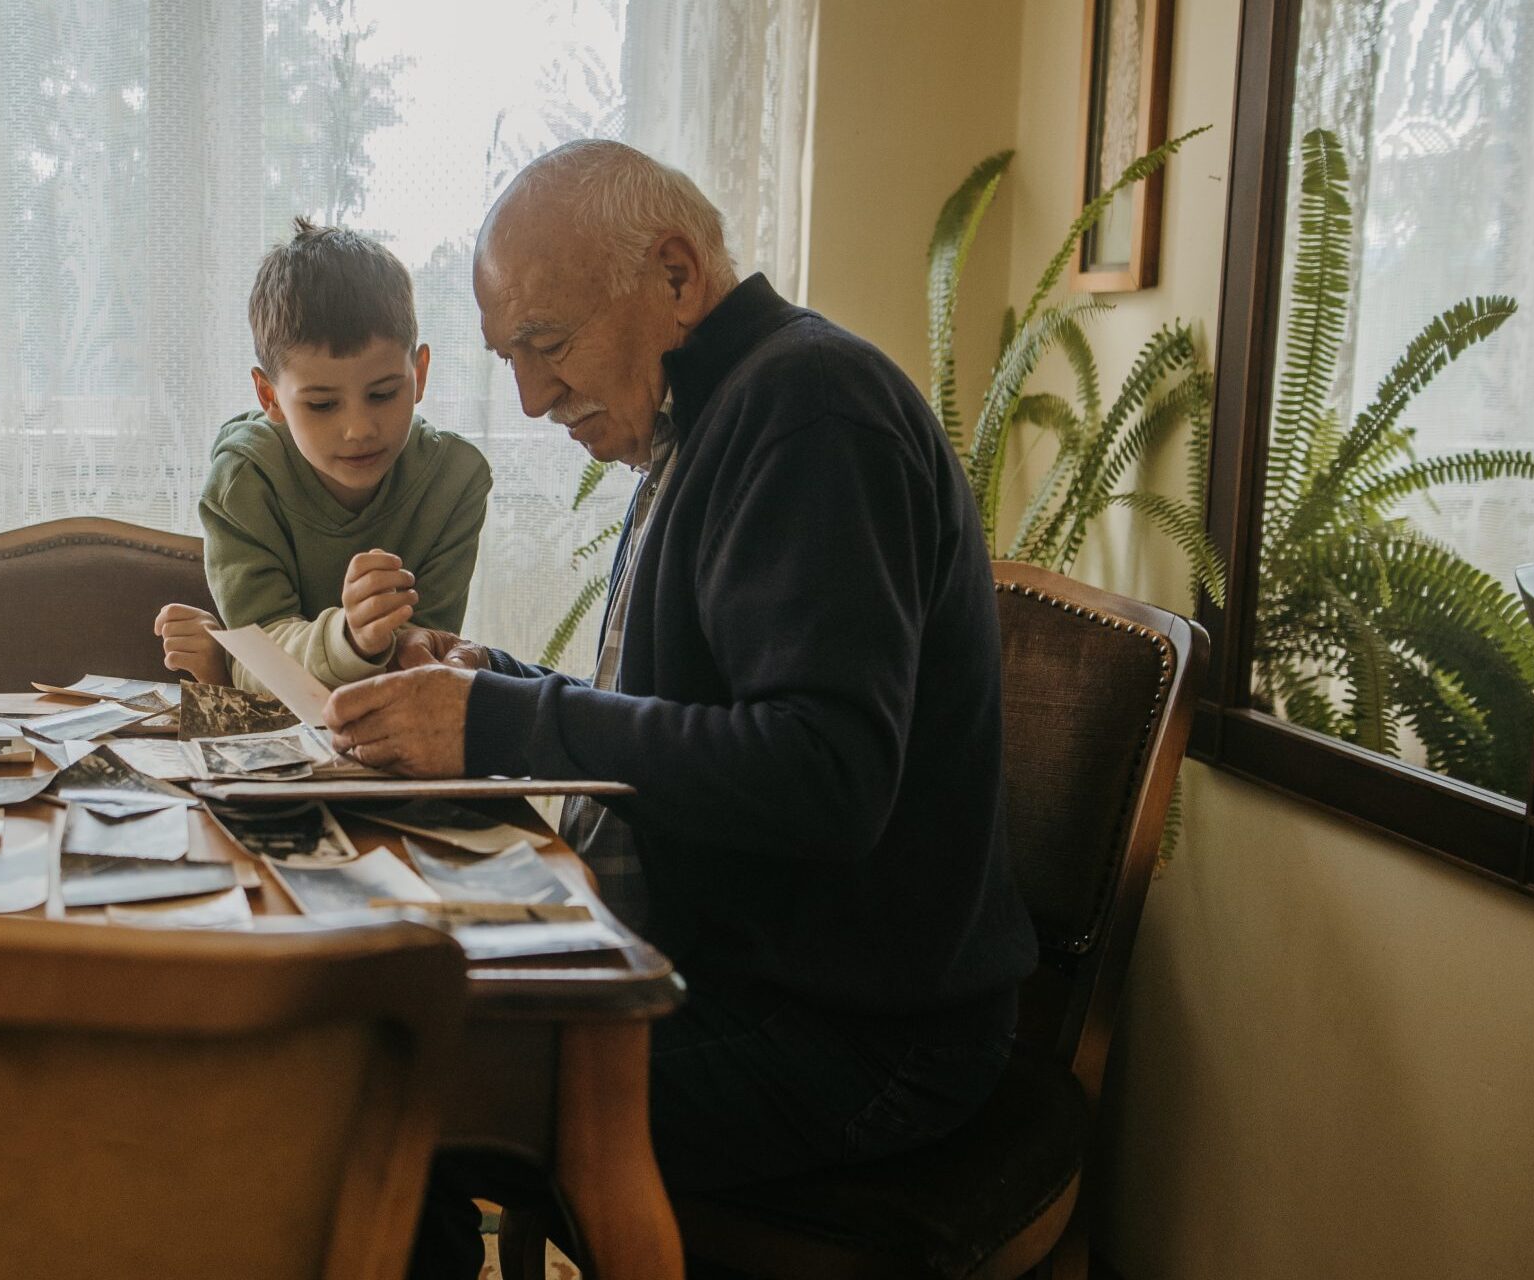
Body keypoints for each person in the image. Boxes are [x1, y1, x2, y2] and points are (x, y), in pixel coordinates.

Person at [323, 141, 1039, 1269]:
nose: (531, 395)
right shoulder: (715, 410)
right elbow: (683, 719)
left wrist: (498, 723)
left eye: (546, 345)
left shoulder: (813, 410)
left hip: (859, 1035)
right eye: (510, 357)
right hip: (759, 977)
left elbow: (823, 773)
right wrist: (486, 680)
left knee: (397, 1099)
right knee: (397, 1058)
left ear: (673, 275)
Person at [154, 217, 493, 694]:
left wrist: (412, 646)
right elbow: (261, 655)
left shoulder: (455, 481)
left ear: (419, 373)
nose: (358, 430)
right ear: (269, 396)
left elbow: (428, 658)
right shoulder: (242, 481)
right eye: (321, 404)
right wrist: (351, 638)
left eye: (382, 393)